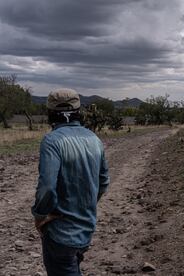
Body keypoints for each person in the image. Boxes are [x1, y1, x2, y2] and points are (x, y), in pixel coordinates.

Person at [31, 88, 110, 276]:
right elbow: (104, 181)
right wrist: (85, 205)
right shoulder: (94, 139)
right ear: (78, 110)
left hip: (60, 233)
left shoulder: (51, 141)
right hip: (86, 229)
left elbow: (48, 187)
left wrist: (40, 216)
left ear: (50, 112)